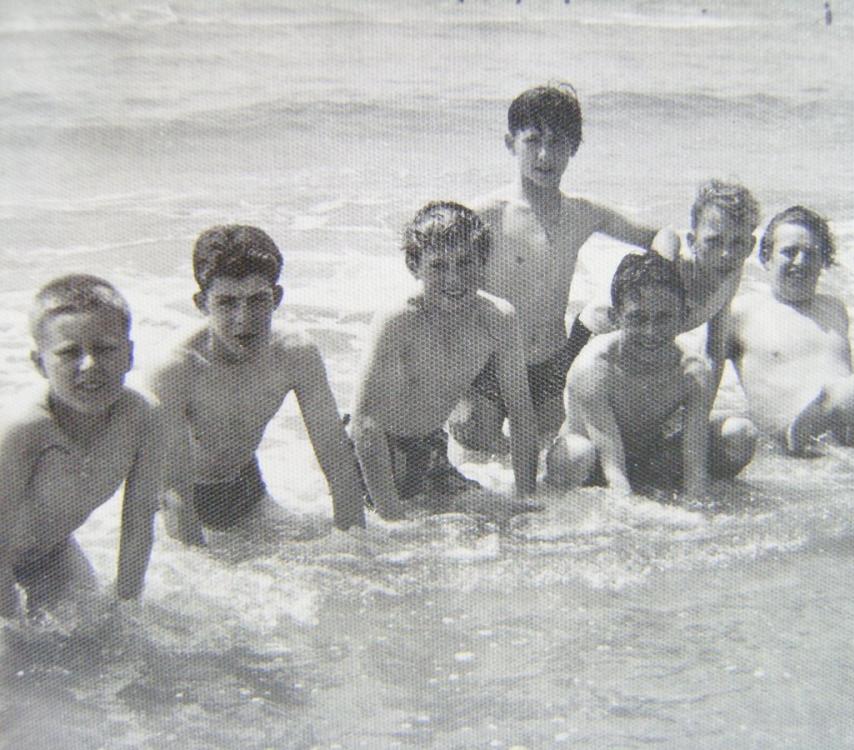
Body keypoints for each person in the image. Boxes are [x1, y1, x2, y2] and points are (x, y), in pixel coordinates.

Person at [449, 84, 664, 452]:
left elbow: (660, 238)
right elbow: (430, 276)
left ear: (575, 148)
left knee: (550, 463)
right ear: (510, 142)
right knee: (479, 455)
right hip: (487, 364)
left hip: (549, 363)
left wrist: (650, 290)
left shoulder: (583, 213)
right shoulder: (484, 215)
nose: (546, 155)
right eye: (533, 140)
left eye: (560, 142)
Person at [150, 225, 366, 544]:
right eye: (226, 302)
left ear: (276, 297)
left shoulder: (295, 354)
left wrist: (356, 545)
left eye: (257, 300)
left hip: (246, 487)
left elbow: (337, 460)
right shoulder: (176, 369)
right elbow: (174, 494)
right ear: (201, 303)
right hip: (173, 501)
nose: (244, 318)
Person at [352, 202, 537, 520]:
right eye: (438, 266)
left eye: (465, 262)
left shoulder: (497, 318)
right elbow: (365, 422)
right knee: (401, 536)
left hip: (431, 447)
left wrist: (525, 494)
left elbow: (520, 412)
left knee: (508, 519)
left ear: (483, 261)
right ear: (415, 266)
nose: (454, 278)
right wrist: (390, 516)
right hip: (375, 451)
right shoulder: (400, 320)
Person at [718, 206, 854, 455]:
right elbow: (703, 369)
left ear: (823, 261)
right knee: (833, 397)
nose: (801, 262)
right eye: (789, 252)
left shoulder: (834, 309)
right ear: (766, 257)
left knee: (853, 396)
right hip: (798, 431)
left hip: (845, 428)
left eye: (811, 254)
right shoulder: (742, 311)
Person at [0, 275, 159, 619]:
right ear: (39, 363)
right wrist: (12, 626)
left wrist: (126, 609)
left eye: (104, 348)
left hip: (49, 553)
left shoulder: (141, 418)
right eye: (69, 352)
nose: (89, 365)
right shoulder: (22, 430)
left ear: (129, 354)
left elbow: (138, 525)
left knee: (98, 646)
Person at [545, 253, 756, 498]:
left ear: (683, 316)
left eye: (664, 318)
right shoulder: (594, 368)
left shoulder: (693, 372)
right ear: (615, 318)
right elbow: (614, 470)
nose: (651, 331)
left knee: (740, 434)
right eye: (638, 318)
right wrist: (631, 514)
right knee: (578, 453)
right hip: (593, 463)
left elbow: (694, 463)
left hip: (647, 457)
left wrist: (698, 511)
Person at [579, 180, 761, 367]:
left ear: (750, 246)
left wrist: (707, 395)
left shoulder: (731, 273)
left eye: (738, 243)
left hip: (640, 346)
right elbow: (666, 235)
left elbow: (715, 350)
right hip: (593, 335)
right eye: (713, 241)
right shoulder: (671, 271)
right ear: (692, 241)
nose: (726, 254)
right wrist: (666, 252)